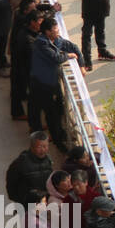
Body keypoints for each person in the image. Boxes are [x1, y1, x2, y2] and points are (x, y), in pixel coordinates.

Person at [29, 19, 80, 149]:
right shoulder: (42, 44)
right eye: (55, 30)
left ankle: (60, 133)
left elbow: (70, 46)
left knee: (58, 109)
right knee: (51, 113)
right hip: (43, 84)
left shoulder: (53, 40)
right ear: (47, 32)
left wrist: (82, 64)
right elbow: (56, 58)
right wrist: (68, 56)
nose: (58, 32)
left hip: (51, 82)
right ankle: (58, 141)